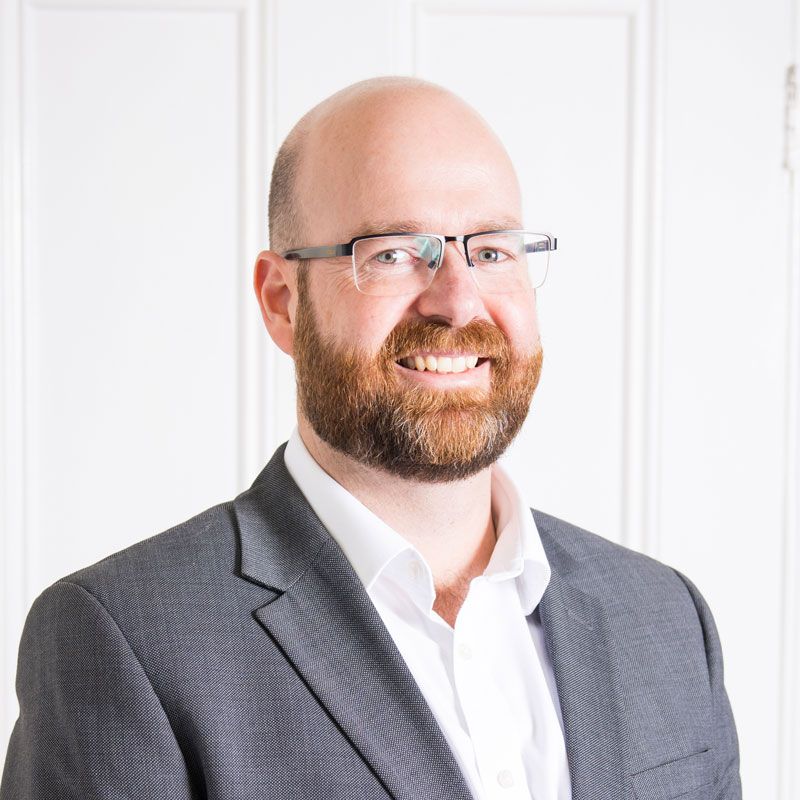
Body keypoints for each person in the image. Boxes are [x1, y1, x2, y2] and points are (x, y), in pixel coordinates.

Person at [0, 77, 741, 800]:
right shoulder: (124, 641)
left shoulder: (666, 618)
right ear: (282, 301)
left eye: (492, 252)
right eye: (392, 253)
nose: (458, 303)